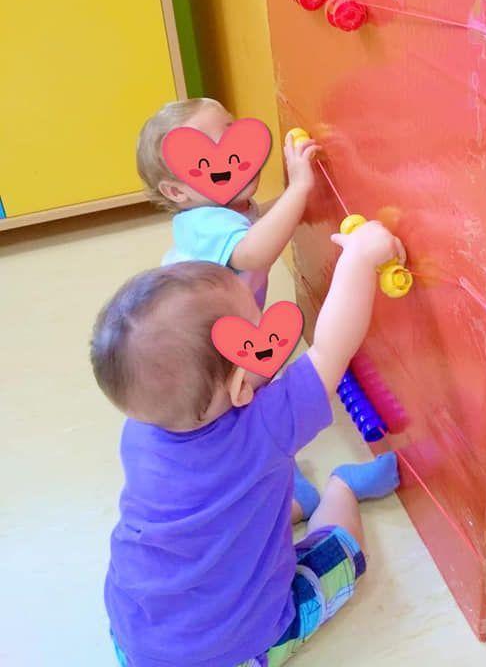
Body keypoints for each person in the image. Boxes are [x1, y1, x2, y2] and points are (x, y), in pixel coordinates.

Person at [91, 219, 402, 667]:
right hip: (241, 649)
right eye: (256, 339)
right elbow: (332, 348)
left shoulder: (141, 430)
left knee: (222, 512)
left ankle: (295, 500)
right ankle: (341, 490)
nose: (269, 340)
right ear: (240, 388)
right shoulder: (267, 426)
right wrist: (359, 257)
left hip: (137, 640)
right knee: (344, 555)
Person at [136, 96, 320, 522]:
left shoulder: (228, 206)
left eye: (235, 138)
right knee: (235, 413)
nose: (237, 158)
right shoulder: (203, 223)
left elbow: (259, 227)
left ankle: (262, 476)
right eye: (210, 154)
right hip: (200, 350)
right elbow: (255, 251)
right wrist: (300, 189)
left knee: (246, 406)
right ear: (177, 190)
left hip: (227, 334)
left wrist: (295, 202)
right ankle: (253, 499)